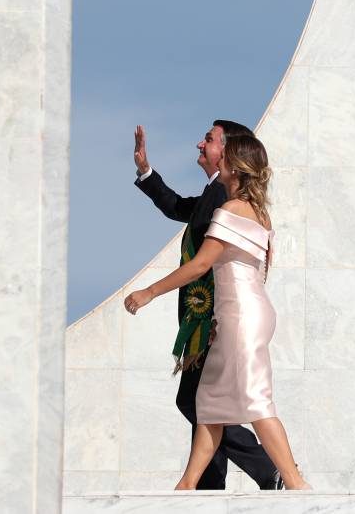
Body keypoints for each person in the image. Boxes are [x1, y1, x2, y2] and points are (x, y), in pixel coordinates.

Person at [125, 134, 310, 491]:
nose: (216, 157)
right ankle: (187, 485)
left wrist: (149, 292)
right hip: (242, 312)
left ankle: (294, 482)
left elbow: (201, 265)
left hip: (240, 314)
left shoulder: (231, 210)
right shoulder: (256, 211)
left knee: (256, 401)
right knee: (208, 405)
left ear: (236, 167)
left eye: (222, 153)